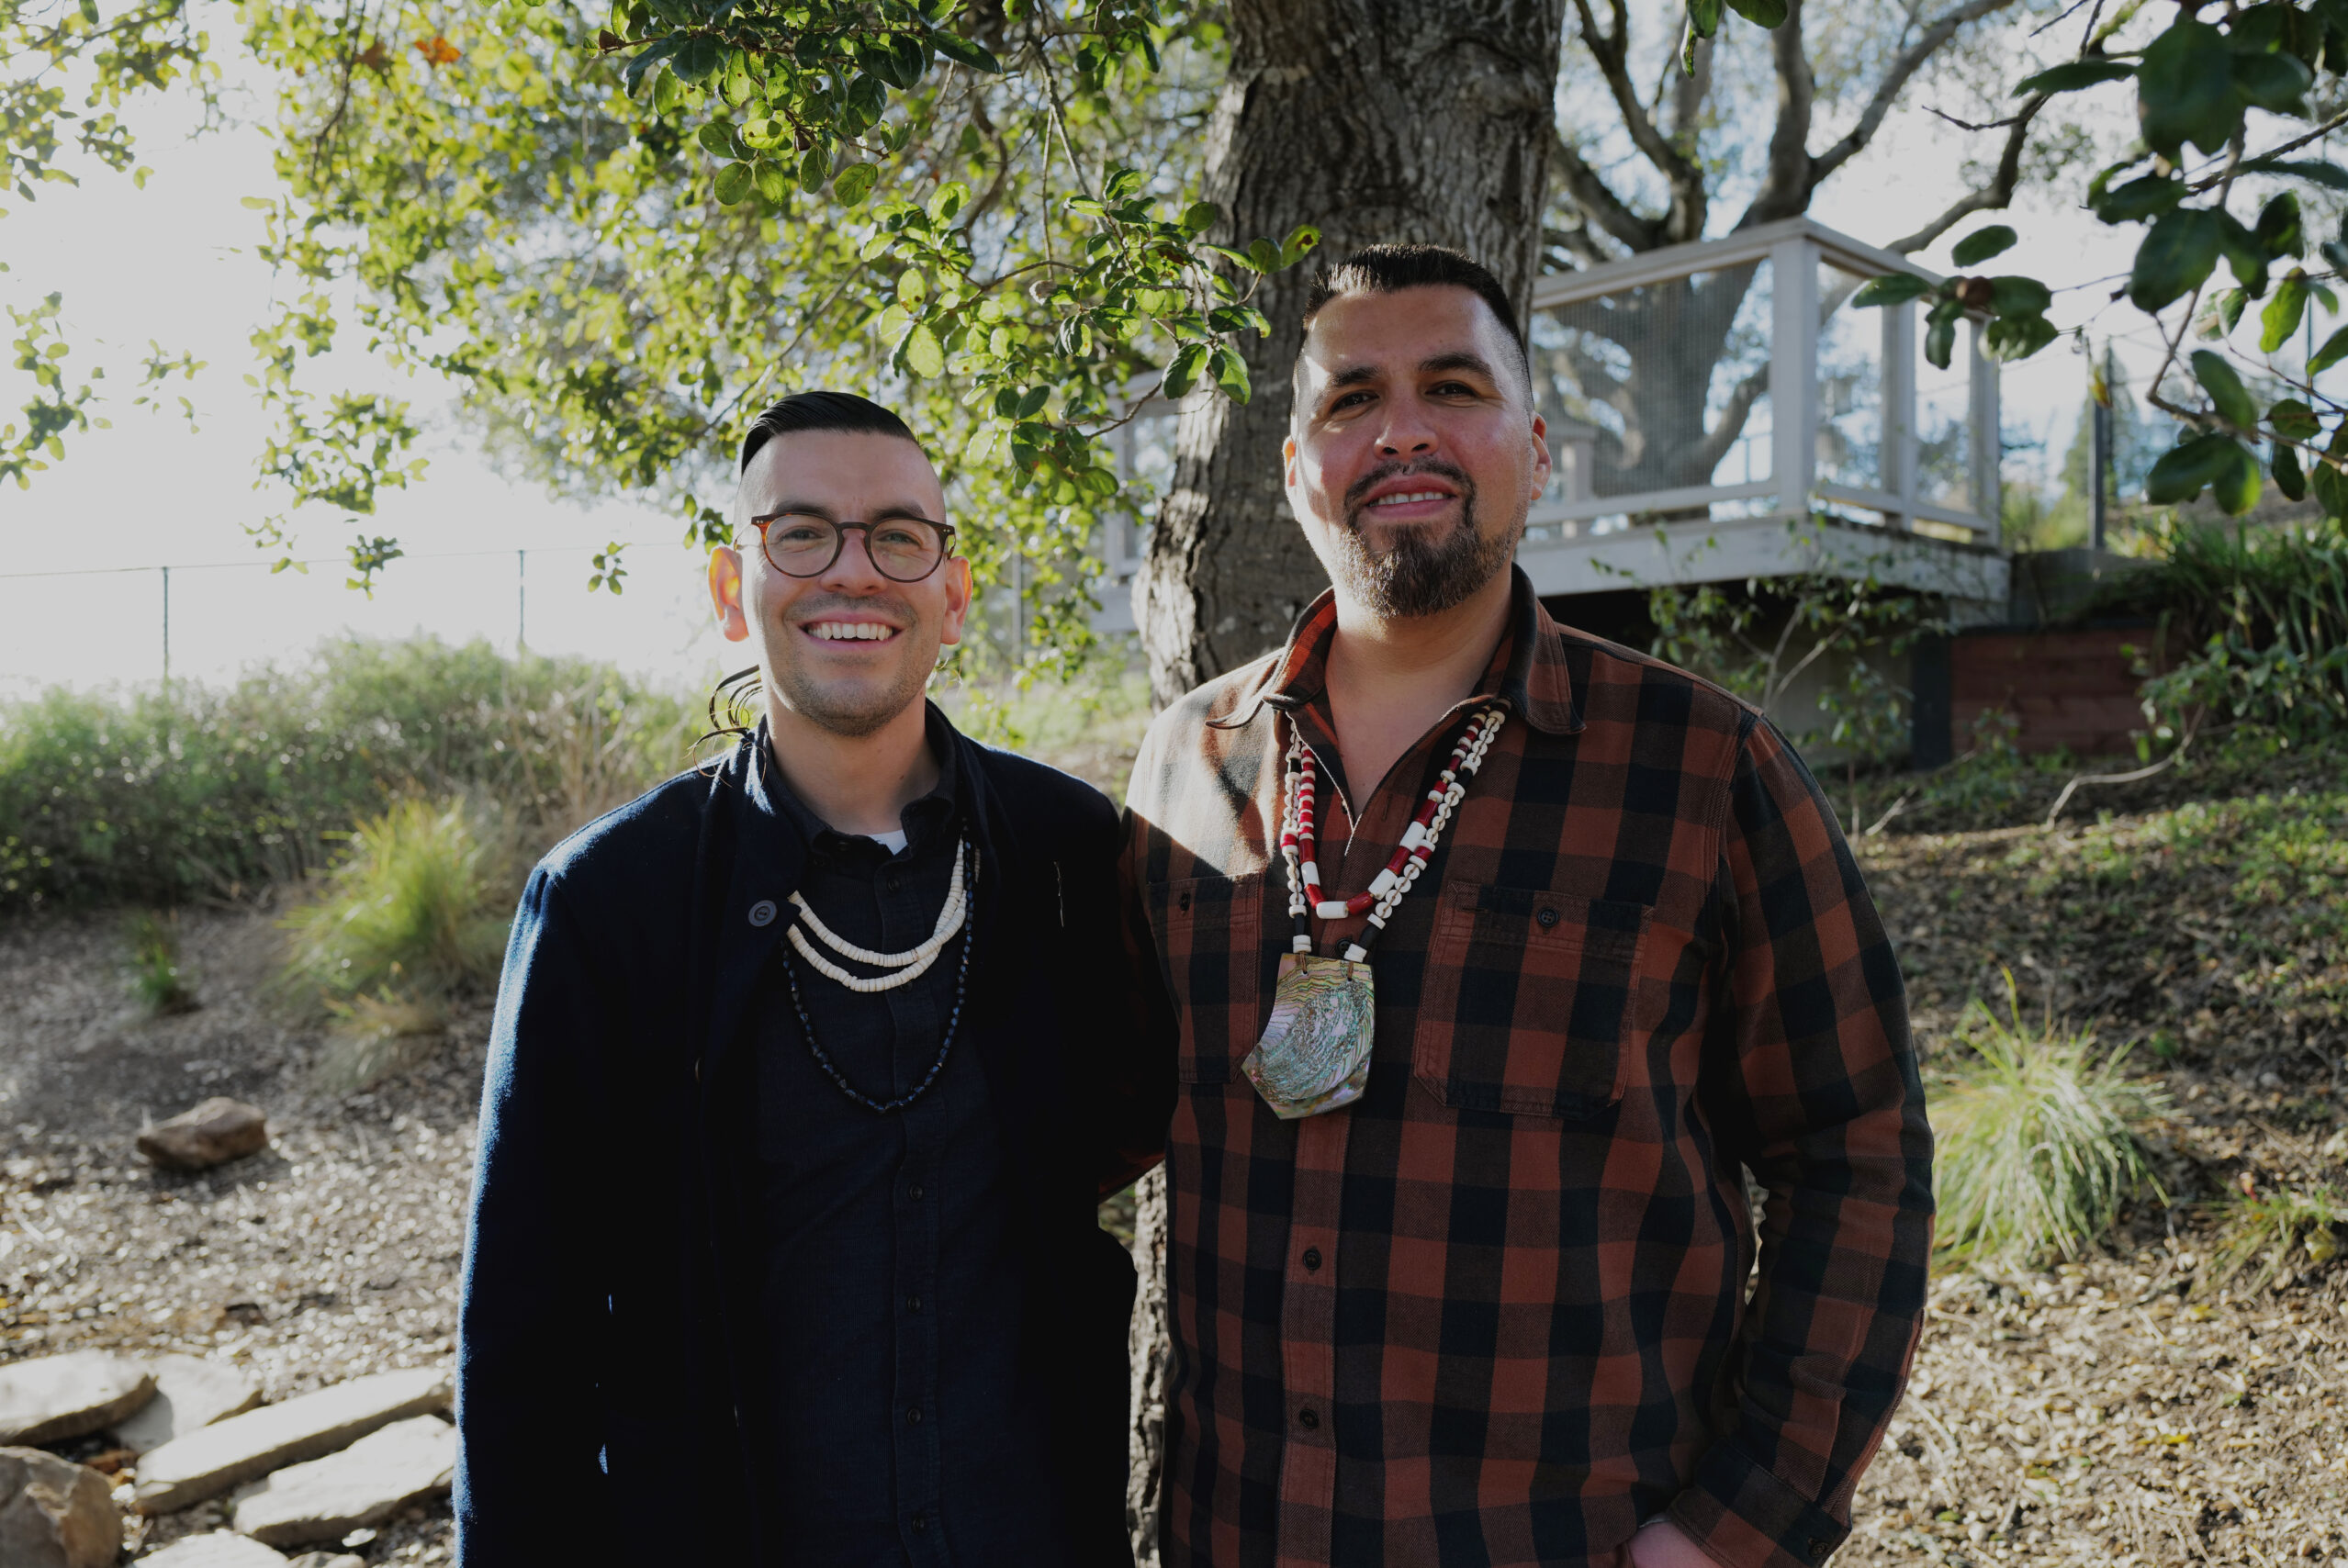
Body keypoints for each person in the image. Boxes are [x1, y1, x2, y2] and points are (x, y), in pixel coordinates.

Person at [1123, 247, 1932, 1568]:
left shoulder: (1704, 769)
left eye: (1454, 387)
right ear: (1292, 470)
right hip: (1242, 1533)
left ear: (1537, 449)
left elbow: (1860, 1153)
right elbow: (1081, 1114)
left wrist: (1737, 1530)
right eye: (1350, 399)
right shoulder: (1185, 763)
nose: (1402, 431)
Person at [455, 390, 1169, 1566]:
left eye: (897, 535)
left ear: (952, 591)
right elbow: (522, 1334)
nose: (853, 571)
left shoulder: (1064, 852)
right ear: (734, 591)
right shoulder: (608, 901)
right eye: (800, 533)